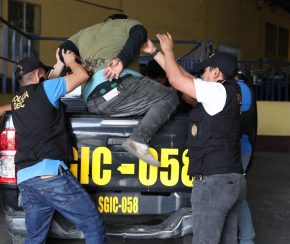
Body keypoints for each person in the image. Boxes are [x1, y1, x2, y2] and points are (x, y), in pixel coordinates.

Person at [141, 34, 246, 244]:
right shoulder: (230, 91)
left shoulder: (216, 91)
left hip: (213, 184)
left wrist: (169, 50)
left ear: (216, 72)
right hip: (232, 179)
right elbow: (186, 78)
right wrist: (155, 52)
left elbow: (176, 80)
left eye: (205, 70)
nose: (201, 75)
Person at [11, 50, 107, 244]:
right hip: (49, 175)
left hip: (25, 179)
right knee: (93, 225)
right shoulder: (47, 89)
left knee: (34, 238)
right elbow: (82, 76)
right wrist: (71, 62)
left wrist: (59, 64)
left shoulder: (17, 101)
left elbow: (46, 84)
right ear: (39, 75)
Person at [58, 14, 178, 166]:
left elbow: (62, 50)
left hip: (93, 100)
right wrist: (121, 59)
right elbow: (140, 32)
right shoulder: (126, 23)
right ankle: (138, 139)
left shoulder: (83, 33)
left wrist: (82, 63)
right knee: (169, 97)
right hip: (117, 86)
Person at [236, 68, 256, 244]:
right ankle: (246, 238)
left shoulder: (238, 89)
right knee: (238, 195)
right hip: (245, 148)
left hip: (238, 150)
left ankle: (247, 238)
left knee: (237, 196)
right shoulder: (247, 89)